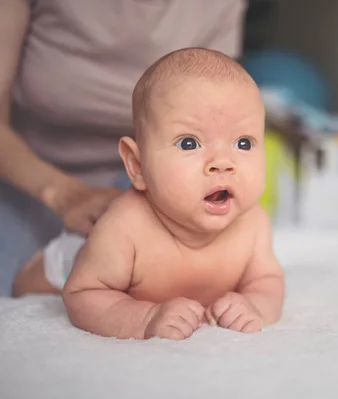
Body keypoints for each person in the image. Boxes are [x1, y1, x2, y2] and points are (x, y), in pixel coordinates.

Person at [15, 47, 285, 340]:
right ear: (137, 165)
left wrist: (254, 306)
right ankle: (40, 264)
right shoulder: (125, 226)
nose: (222, 163)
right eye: (189, 144)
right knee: (29, 283)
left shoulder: (253, 223)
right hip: (77, 262)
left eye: (243, 143)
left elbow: (267, 281)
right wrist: (145, 318)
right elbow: (83, 293)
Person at [0, 0, 248, 296]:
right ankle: (55, 268)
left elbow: (216, 118)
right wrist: (63, 193)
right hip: (23, 170)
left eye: (245, 144)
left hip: (151, 171)